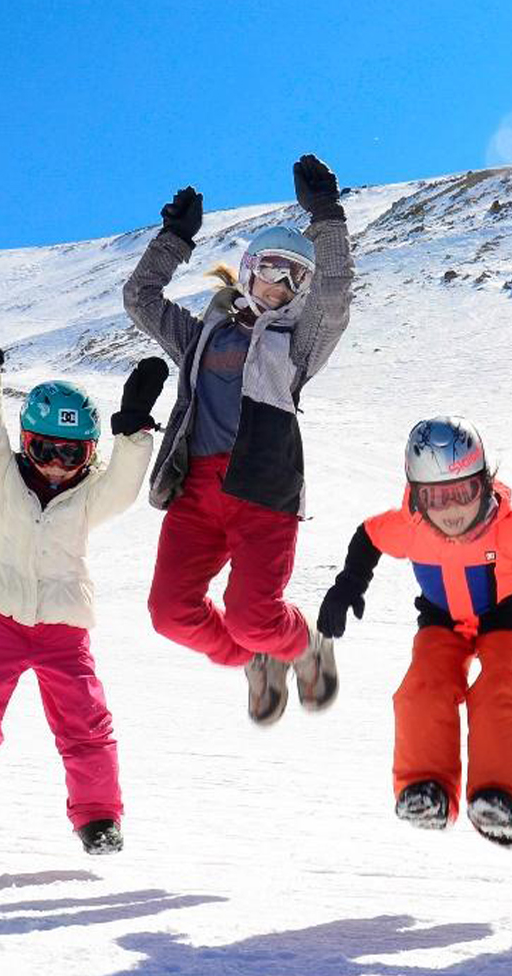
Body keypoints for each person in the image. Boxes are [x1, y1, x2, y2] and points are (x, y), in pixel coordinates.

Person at [314, 417, 512, 847]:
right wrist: (348, 585)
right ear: (415, 495)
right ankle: (426, 787)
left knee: (500, 685)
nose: (451, 511)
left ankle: (501, 794)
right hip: (442, 617)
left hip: (505, 614)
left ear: (484, 484)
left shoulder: (507, 526)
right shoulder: (410, 527)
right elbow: (369, 537)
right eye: (435, 497)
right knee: (425, 684)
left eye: (463, 493)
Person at [0, 290, 163, 856]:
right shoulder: (5, 476)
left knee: (86, 724)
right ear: (26, 445)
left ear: (89, 458)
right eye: (46, 449)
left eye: (72, 455)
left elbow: (126, 487)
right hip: (0, 620)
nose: (56, 464)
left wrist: (133, 432)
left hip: (62, 628)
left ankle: (99, 817)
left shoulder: (89, 499)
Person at [123, 153, 353, 725]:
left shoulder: (298, 343)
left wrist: (325, 215)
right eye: (270, 268)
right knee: (170, 614)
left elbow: (335, 298)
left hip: (263, 493)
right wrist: (175, 238)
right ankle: (256, 656)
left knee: (253, 615)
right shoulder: (202, 335)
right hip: (196, 492)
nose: (278, 284)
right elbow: (140, 299)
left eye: (293, 277)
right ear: (248, 269)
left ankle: (300, 646)